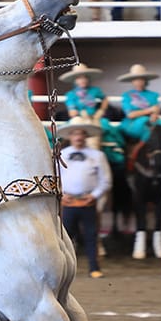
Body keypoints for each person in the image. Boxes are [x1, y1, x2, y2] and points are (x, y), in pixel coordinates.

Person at [58, 118, 112, 278]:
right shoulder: (62, 155)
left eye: (81, 133)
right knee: (65, 237)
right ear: (70, 136)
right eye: (75, 134)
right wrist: (61, 195)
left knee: (91, 235)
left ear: (86, 136)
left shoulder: (98, 156)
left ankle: (94, 267)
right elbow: (56, 177)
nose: (78, 137)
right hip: (68, 202)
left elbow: (106, 180)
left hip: (88, 202)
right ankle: (63, 269)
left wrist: (94, 195)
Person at [117, 63, 161, 142]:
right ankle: (138, 147)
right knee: (145, 122)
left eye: (141, 79)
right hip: (132, 124)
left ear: (145, 80)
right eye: (135, 80)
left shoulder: (153, 95)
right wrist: (150, 110)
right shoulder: (127, 95)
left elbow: (156, 109)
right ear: (132, 81)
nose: (138, 82)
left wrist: (154, 114)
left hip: (150, 122)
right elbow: (130, 115)